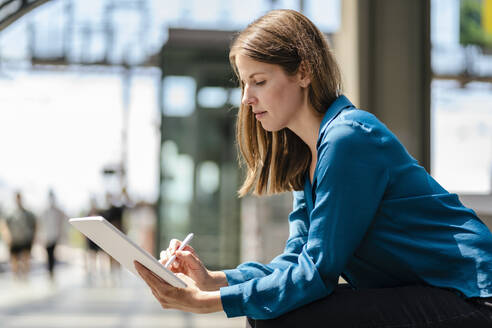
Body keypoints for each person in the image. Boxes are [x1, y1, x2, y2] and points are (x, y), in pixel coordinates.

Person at [134, 9, 492, 327]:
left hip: (471, 297)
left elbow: (317, 273)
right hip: (429, 293)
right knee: (272, 311)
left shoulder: (349, 139)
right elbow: (295, 262)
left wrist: (206, 304)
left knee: (279, 317)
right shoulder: (309, 155)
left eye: (259, 81)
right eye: (244, 83)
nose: (246, 98)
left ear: (303, 72)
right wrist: (213, 280)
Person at [2, 192, 37, 281]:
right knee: (14, 262)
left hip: (25, 239)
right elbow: (3, 225)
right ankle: (16, 279)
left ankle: (26, 279)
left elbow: (35, 224)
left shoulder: (28, 213)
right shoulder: (9, 212)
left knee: (26, 260)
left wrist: (34, 237)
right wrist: (7, 236)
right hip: (14, 240)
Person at [38, 189, 67, 281]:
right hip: (47, 236)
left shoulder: (57, 211)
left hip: (54, 236)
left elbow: (61, 222)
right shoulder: (44, 210)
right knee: (49, 255)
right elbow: (40, 224)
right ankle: (50, 271)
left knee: (52, 255)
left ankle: (52, 271)